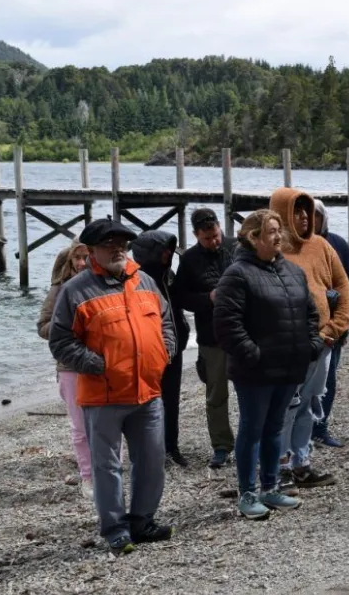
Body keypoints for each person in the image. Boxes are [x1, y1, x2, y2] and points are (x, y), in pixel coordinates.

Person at [49, 218, 176, 554]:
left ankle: (143, 521)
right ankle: (115, 529)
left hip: (147, 393)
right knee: (106, 466)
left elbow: (166, 321)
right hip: (102, 396)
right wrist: (97, 366)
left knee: (151, 459)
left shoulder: (145, 280)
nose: (118, 248)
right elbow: (60, 340)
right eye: (109, 244)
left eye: (122, 242)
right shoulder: (75, 290)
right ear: (91, 251)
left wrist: (164, 352)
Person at [214, 210, 322, 519]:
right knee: (252, 430)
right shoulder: (237, 274)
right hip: (255, 372)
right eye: (271, 231)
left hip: (290, 367)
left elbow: (310, 314)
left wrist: (310, 346)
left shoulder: (292, 271)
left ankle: (270, 488)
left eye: (279, 230)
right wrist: (254, 355)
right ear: (253, 238)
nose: (278, 236)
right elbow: (227, 325)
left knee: (276, 429)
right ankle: (247, 493)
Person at [267, 188, 349, 490]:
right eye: (297, 211)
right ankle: (280, 466)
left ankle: (301, 462)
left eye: (307, 211)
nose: (304, 217)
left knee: (309, 405)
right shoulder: (272, 248)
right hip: (289, 348)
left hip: (323, 344)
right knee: (286, 407)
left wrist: (336, 327)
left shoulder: (321, 246)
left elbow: (343, 285)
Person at [174, 208, 237, 469]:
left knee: (252, 391)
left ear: (220, 227)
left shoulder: (236, 247)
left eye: (216, 235)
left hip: (243, 331)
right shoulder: (189, 260)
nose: (214, 241)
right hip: (211, 337)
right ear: (195, 235)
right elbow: (179, 297)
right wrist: (207, 299)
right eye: (207, 238)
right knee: (216, 394)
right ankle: (221, 445)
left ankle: (252, 441)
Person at [37, 237, 93, 498]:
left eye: (87, 257)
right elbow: (43, 327)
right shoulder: (60, 289)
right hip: (69, 366)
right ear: (69, 260)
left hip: (100, 363)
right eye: (77, 258)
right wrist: (68, 327)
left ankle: (108, 469)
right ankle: (87, 477)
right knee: (80, 426)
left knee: (108, 423)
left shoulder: (103, 285)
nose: (82, 263)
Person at [131, 231, 191, 466]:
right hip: (150, 352)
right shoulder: (138, 280)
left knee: (172, 400)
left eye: (169, 249)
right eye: (164, 250)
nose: (168, 254)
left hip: (173, 347)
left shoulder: (169, 276)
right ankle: (154, 449)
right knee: (151, 402)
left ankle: (172, 447)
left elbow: (180, 304)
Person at [310, 198, 349, 448]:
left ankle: (321, 427)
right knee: (303, 384)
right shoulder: (296, 245)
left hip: (334, 326)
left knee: (328, 380)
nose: (310, 220)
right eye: (307, 215)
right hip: (306, 329)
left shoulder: (337, 244)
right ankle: (301, 432)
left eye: (316, 215)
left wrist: (344, 323)